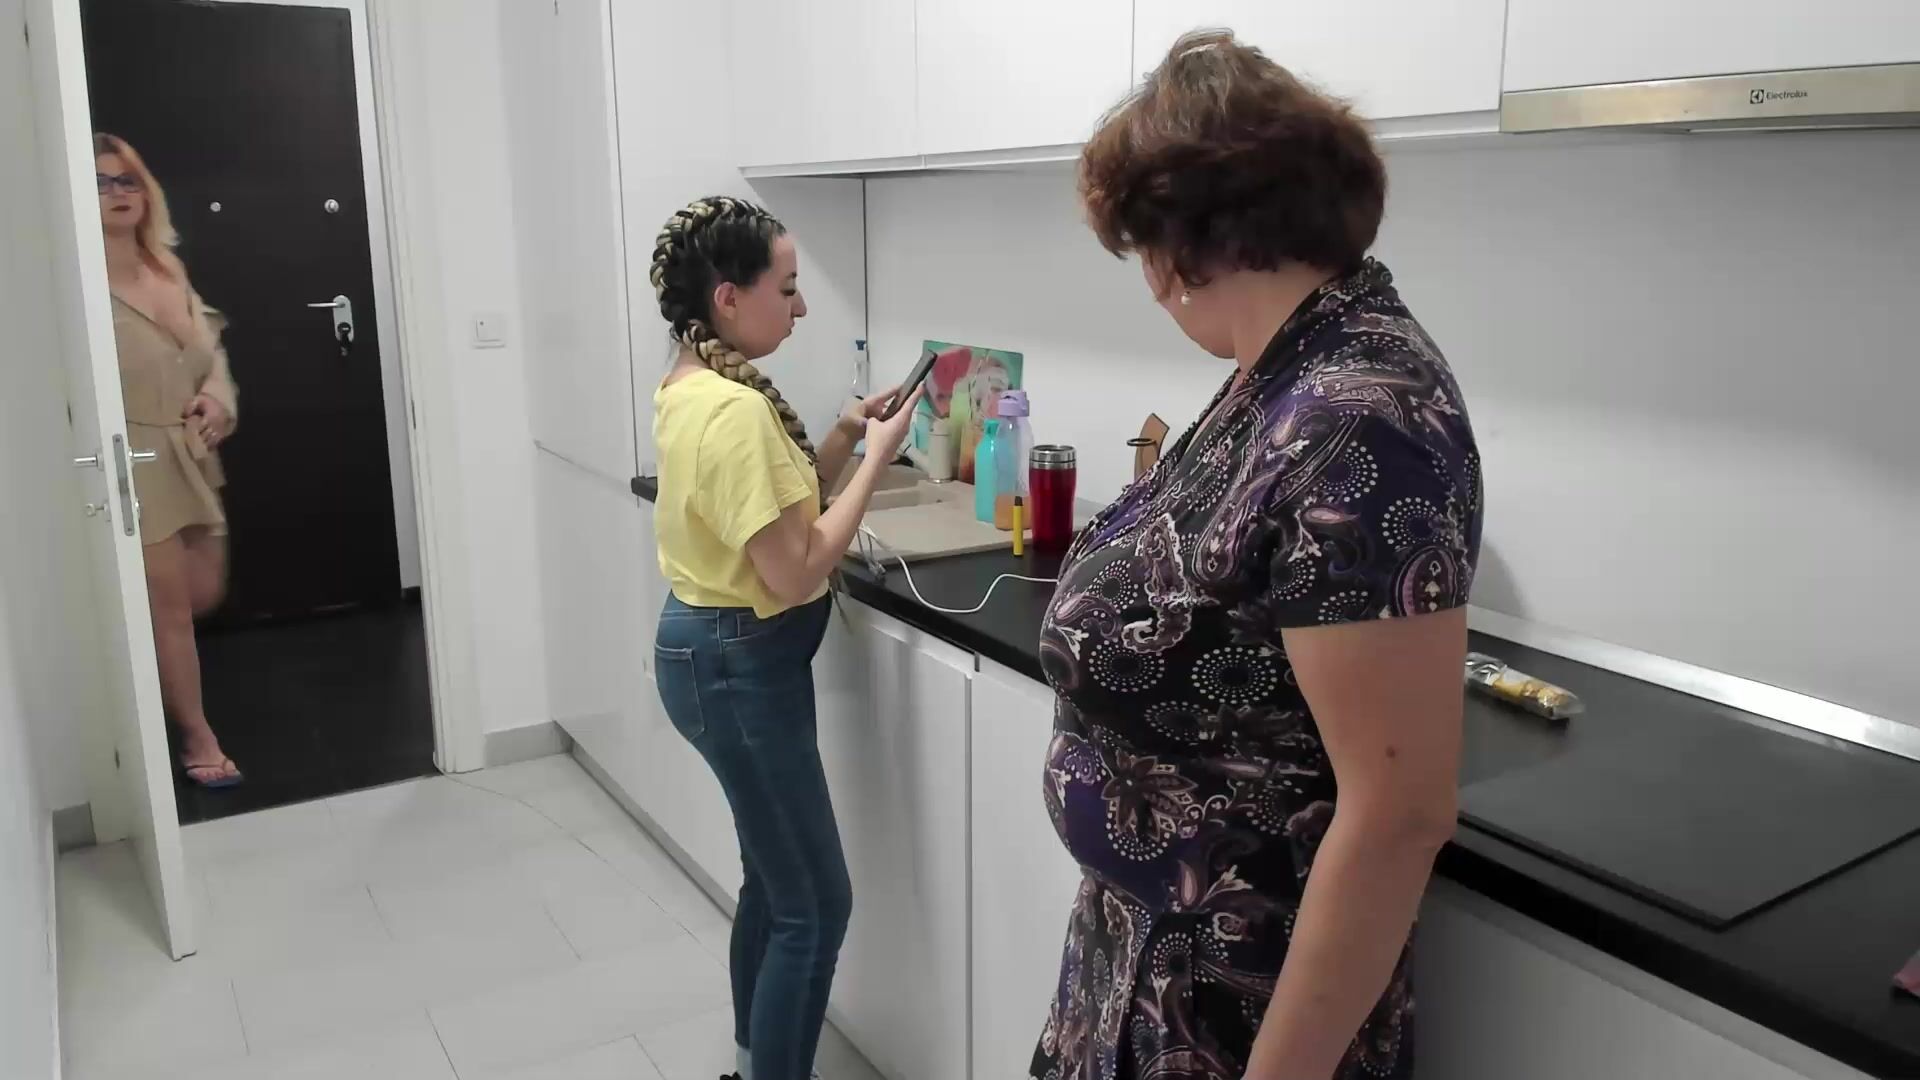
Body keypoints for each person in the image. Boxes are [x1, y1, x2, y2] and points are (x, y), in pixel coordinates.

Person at [1031, 31, 1483, 1080]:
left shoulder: (1360, 415)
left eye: (1141, 246)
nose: (1149, 283)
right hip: (1141, 961)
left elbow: (1399, 814)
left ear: (1184, 240)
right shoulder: (1285, 366)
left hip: (1242, 1009)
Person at [647, 195, 921, 1080]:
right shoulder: (734, 411)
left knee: (774, 884)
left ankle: (750, 1060)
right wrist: (877, 459)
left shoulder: (692, 387)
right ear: (729, 298)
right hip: (737, 666)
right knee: (815, 907)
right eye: (789, 288)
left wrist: (843, 434)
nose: (800, 308)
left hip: (713, 654)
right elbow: (795, 570)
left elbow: (777, 511)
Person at [95, 133, 243, 789]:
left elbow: (212, 355)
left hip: (191, 454)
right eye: (101, 182)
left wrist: (216, 399)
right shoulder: (83, 283)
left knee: (203, 591)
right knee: (171, 609)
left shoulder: (166, 268)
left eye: (127, 179)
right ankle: (196, 736)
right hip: (135, 458)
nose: (117, 192)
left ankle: (152, 684)